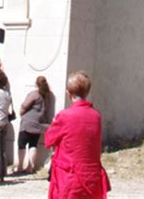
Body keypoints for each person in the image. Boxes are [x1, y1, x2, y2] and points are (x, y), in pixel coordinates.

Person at [45, 71, 110, 199]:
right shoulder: (96, 116)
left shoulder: (64, 116)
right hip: (91, 178)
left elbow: (49, 140)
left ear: (68, 93)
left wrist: (53, 124)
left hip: (69, 179)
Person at [16, 76, 50, 175]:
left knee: (21, 145)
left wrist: (21, 113)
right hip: (38, 123)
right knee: (33, 144)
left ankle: (20, 166)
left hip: (28, 122)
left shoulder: (34, 94)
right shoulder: (46, 96)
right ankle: (31, 167)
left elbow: (24, 106)